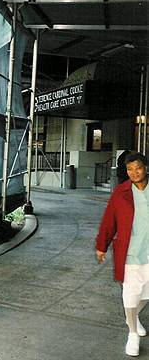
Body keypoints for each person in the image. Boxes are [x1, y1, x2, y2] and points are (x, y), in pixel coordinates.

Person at [96, 152, 149, 356]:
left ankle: (132, 317)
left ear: (145, 167)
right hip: (131, 252)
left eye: (138, 168)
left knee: (146, 292)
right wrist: (102, 245)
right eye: (129, 169)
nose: (134, 173)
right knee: (131, 292)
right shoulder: (121, 192)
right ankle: (132, 333)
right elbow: (109, 220)